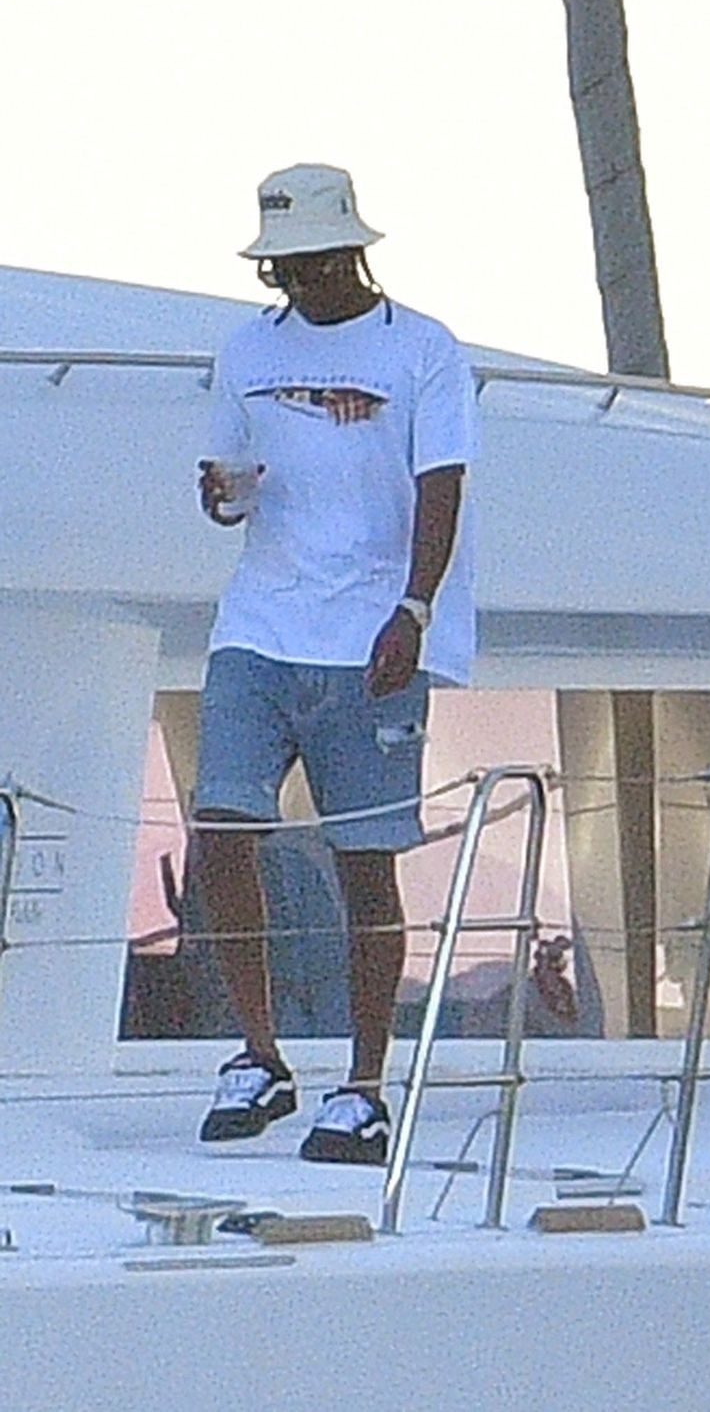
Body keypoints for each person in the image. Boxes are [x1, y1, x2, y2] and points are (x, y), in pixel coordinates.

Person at [192, 163, 477, 1163]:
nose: (297, 282)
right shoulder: (245, 349)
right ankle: (260, 1054)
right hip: (259, 624)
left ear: (350, 250)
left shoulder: (422, 349)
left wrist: (414, 607)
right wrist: (221, 496)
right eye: (281, 268)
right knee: (221, 829)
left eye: (311, 263)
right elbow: (225, 481)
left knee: (364, 863)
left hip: (372, 632)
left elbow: (442, 483)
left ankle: (364, 1084)